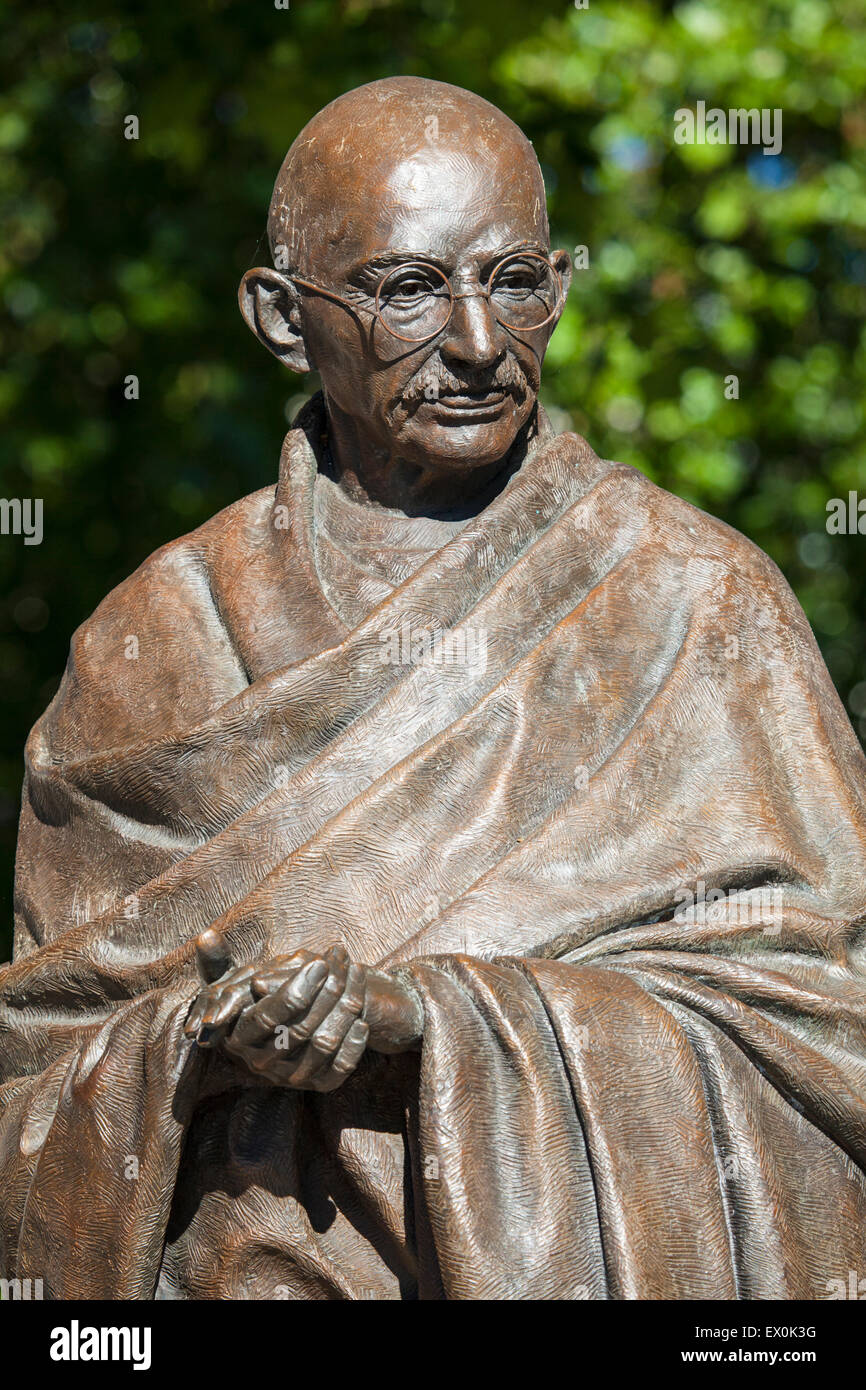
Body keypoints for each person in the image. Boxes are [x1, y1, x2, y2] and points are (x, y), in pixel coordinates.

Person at [2, 76, 866, 1300]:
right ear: (282, 319)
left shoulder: (690, 599)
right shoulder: (156, 637)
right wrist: (197, 1043)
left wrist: (432, 1019)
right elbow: (35, 1077)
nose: (475, 341)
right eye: (408, 289)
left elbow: (826, 1032)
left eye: (517, 281)